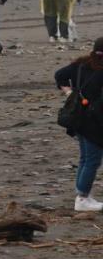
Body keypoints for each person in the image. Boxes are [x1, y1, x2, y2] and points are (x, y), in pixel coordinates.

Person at [55, 37, 103, 211]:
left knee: (85, 158)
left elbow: (59, 75)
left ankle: (83, 195)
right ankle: (82, 198)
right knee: (92, 159)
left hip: (78, 118)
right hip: (95, 122)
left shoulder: (82, 64)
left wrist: (69, 93)